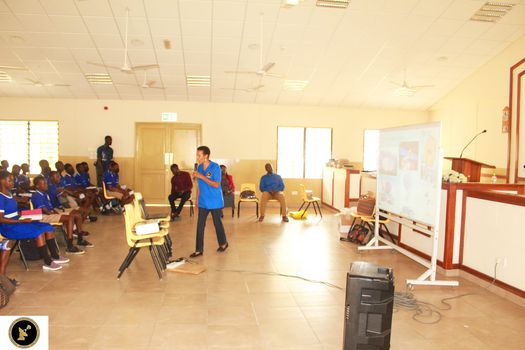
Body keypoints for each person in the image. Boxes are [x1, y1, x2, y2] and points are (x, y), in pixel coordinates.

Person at [0, 171, 67, 271]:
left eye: (13, 180)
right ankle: (47, 262)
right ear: (1, 181)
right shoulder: (1, 197)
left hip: (18, 221)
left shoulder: (9, 194)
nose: (13, 182)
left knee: (47, 227)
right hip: (8, 227)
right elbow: (1, 219)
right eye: (10, 180)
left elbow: (13, 212)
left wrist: (25, 215)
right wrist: (21, 221)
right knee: (38, 231)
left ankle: (55, 256)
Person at [32, 176, 92, 251]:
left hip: (50, 213)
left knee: (77, 215)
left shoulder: (44, 194)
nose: (46, 185)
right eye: (44, 184)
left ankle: (80, 239)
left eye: (46, 183)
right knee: (70, 217)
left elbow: (50, 207)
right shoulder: (36, 196)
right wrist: (55, 214)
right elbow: (43, 209)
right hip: (43, 216)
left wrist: (56, 212)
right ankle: (70, 246)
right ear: (37, 186)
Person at [190, 146, 228, 258]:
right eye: (197, 155)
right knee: (200, 225)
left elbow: (216, 184)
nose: (197, 157)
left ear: (206, 156)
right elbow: (199, 186)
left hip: (215, 201)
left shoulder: (215, 167)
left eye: (199, 155)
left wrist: (201, 176)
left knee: (217, 224)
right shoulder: (200, 167)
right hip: (203, 201)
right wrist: (197, 200)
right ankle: (198, 250)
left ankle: (223, 243)